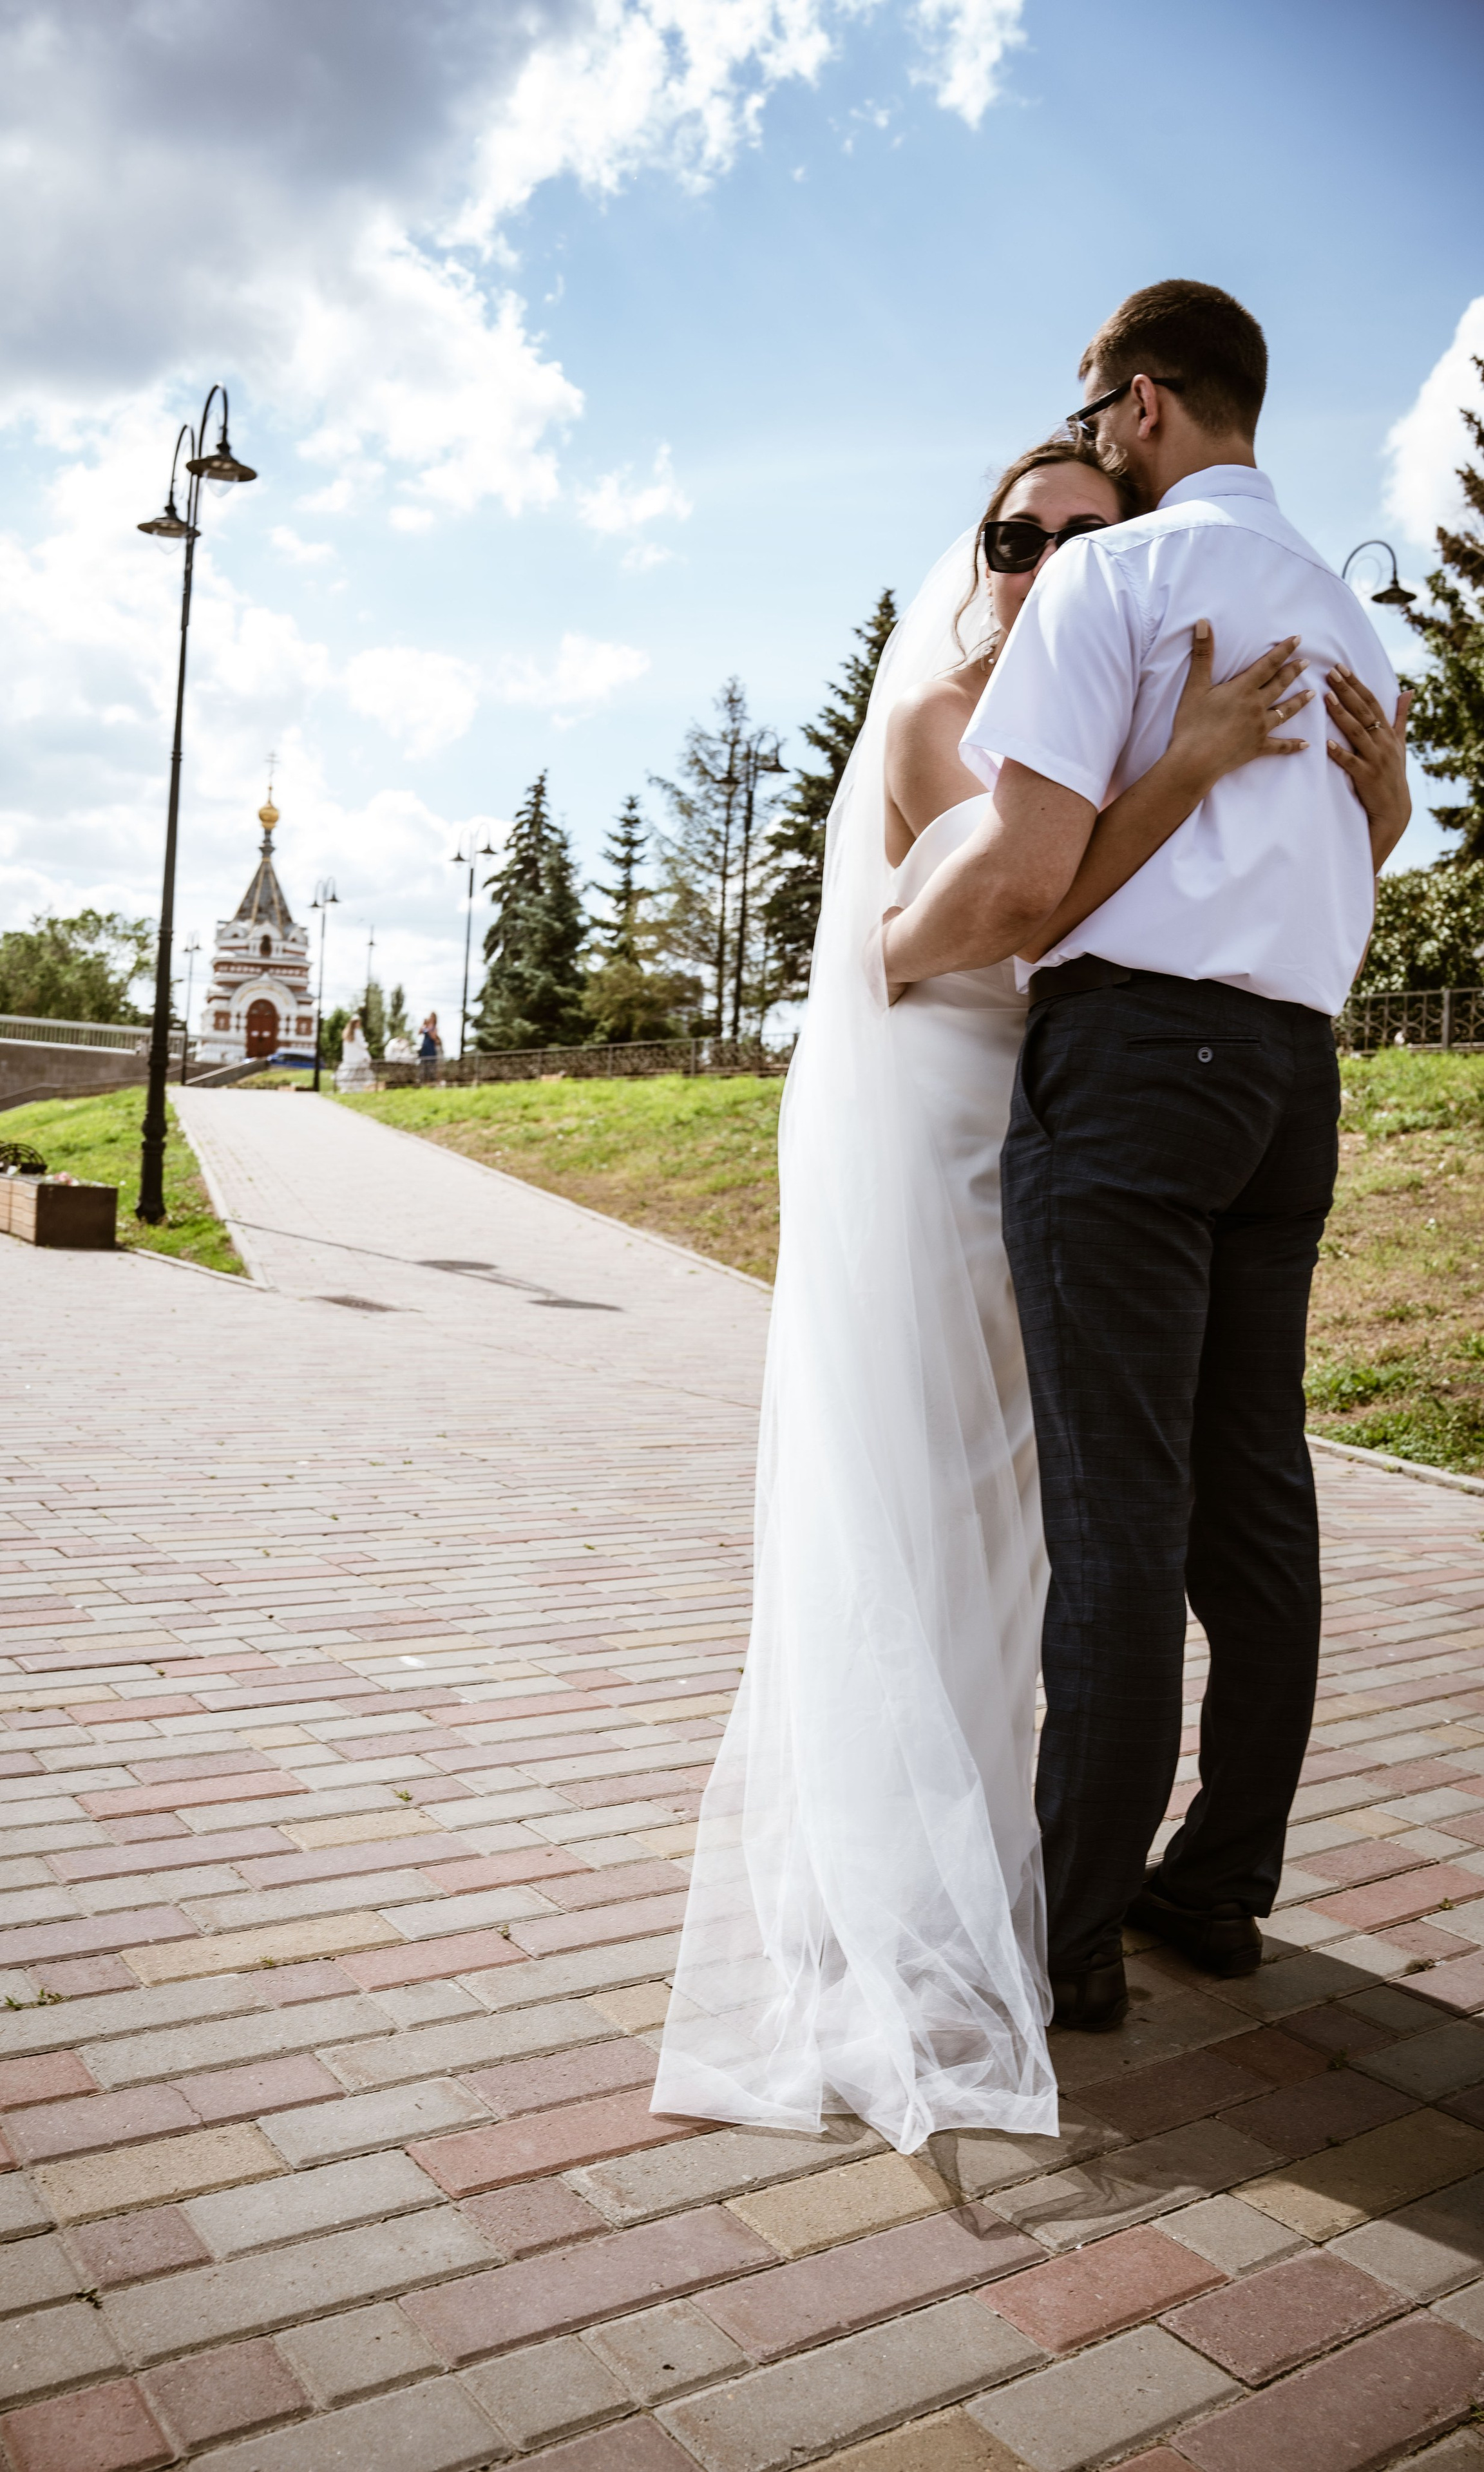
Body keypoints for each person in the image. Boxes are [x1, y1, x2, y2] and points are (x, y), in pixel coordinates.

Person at [653, 387, 1409, 2151]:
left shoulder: (1131, 685)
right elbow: (988, 913)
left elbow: (1244, 887)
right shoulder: (939, 718)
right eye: (1021, 535)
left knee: (1073, 1518)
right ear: (977, 556)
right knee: (954, 1504)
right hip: (954, 1120)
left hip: (1092, 1108)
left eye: (1086, 532)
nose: (1058, 557)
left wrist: (1355, 799)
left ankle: (1057, 1864)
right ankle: (962, 1871)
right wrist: (1196, 770)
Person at [881, 281, 1412, 2034]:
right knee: (1257, 1493)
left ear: (1154, 401)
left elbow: (1026, 879)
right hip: (1291, 1078)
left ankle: (1076, 1927)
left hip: (1135, 1063)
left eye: (1103, 406)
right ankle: (1223, 1882)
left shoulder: (1117, 580)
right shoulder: (1349, 614)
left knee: (1122, 1507)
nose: (1099, 432)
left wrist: (885, 951)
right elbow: (1354, 847)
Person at [417, 1012, 442, 1086]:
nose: (431, 1018)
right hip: (424, 1048)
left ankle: (431, 1082)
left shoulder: (434, 1028)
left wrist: (429, 1030)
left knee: (431, 1066)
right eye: (430, 1016)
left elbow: (434, 1037)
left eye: (432, 1017)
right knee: (423, 1065)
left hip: (431, 1049)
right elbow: (419, 1032)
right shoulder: (425, 1026)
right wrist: (424, 1025)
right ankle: (422, 1082)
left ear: (435, 1019)